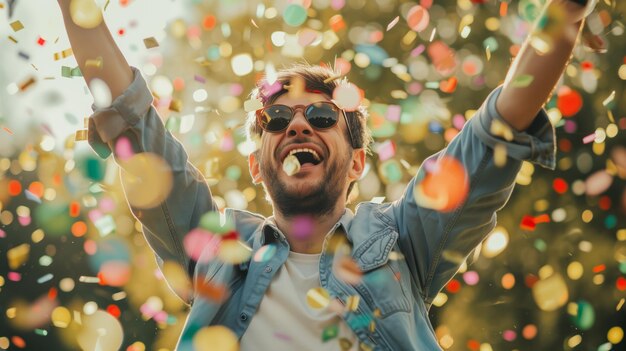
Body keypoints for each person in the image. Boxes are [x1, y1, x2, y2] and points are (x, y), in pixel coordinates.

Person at [56, 0, 593, 349]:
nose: (297, 127)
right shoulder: (214, 248)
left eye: (319, 117)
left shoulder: (405, 241)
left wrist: (569, 8)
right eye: (276, 121)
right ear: (255, 164)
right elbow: (133, 118)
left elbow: (499, 126)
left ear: (357, 161)